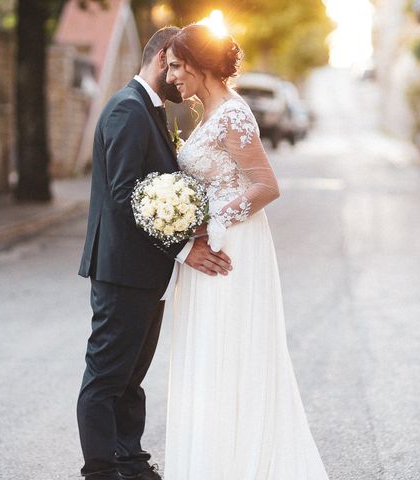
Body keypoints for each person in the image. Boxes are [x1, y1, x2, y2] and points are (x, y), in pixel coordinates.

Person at [162, 24, 330, 479]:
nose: (171, 75)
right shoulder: (206, 114)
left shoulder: (233, 115)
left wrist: (207, 221)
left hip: (232, 246)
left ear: (199, 66)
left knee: (230, 353)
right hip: (211, 241)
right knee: (209, 358)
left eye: (177, 66)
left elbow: (266, 185)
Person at [76, 27, 233, 480]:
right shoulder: (128, 109)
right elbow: (127, 196)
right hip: (122, 270)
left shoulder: (150, 108)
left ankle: (131, 461)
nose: (182, 75)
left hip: (144, 272)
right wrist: (184, 248)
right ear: (165, 57)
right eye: (179, 63)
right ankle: (101, 471)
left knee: (130, 378)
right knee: (106, 376)